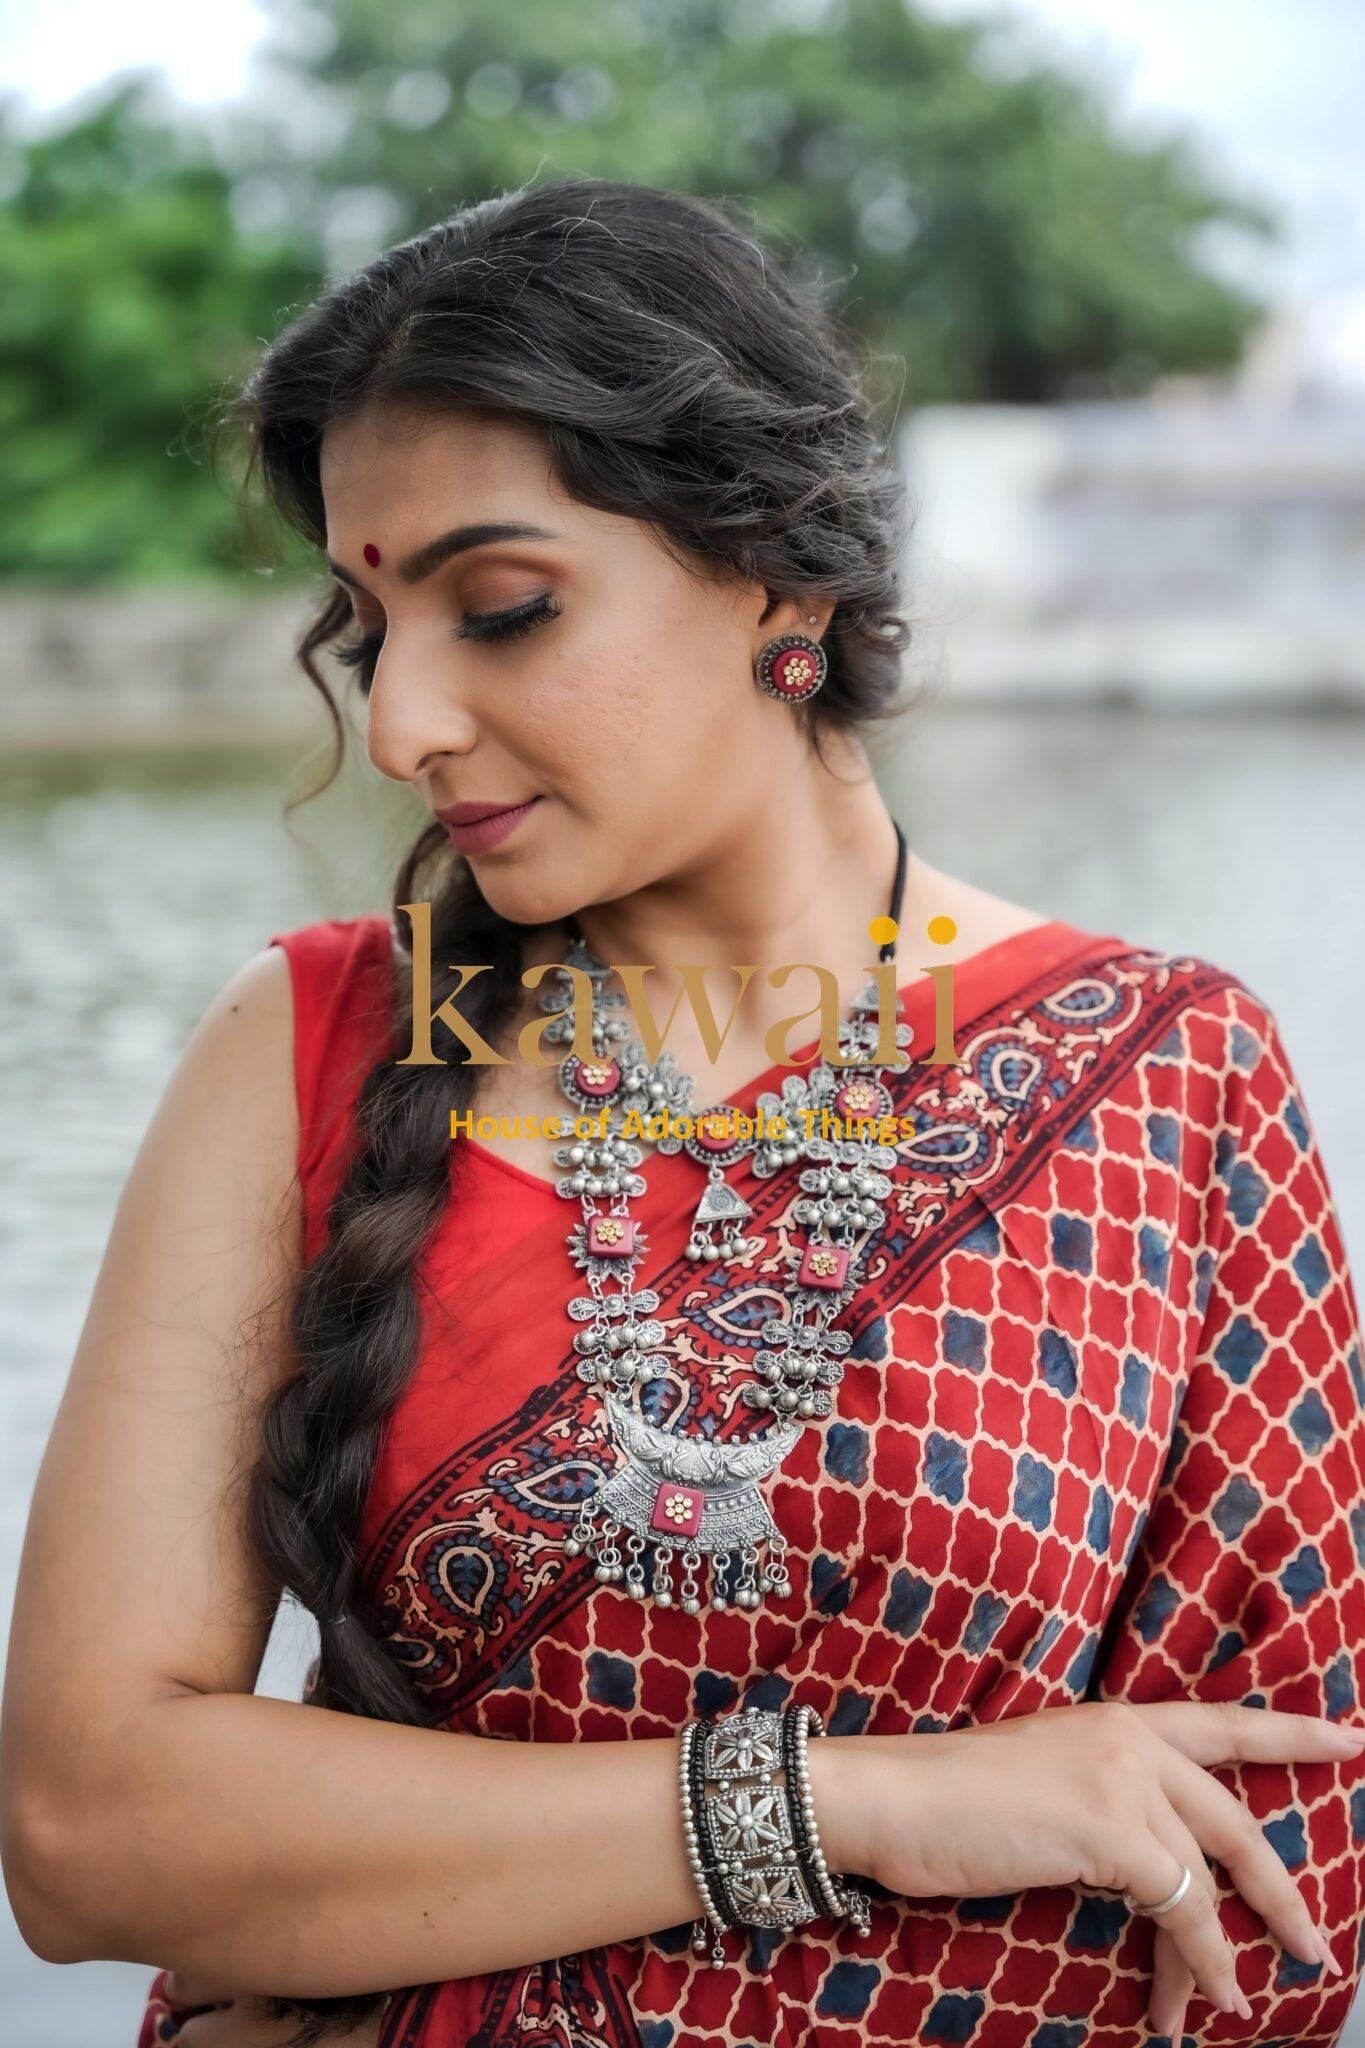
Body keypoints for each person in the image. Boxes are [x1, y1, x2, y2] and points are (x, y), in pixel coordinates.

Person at [2, 176, 1363, 2048]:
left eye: (501, 608)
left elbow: (1268, 1876)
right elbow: (85, 1834)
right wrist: (859, 1803)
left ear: (776, 575)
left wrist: (378, 1881)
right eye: (368, 622)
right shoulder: (316, 1039)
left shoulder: (1171, 1077)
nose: (398, 724)